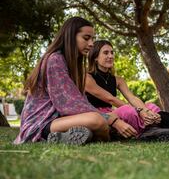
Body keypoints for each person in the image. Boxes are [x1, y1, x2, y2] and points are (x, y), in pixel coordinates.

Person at [15, 17, 115, 145]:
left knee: (97, 123)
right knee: (97, 120)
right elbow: (67, 103)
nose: (91, 44)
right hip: (40, 124)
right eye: (86, 38)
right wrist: (109, 118)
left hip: (59, 120)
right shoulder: (54, 59)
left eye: (92, 39)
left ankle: (71, 136)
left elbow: (80, 100)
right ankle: (72, 135)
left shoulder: (73, 65)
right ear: (70, 36)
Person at [85, 40, 169, 141]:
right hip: (99, 115)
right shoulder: (87, 77)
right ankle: (143, 133)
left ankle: (151, 130)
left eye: (112, 52)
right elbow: (110, 99)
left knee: (152, 107)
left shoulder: (118, 80)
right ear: (95, 57)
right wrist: (138, 111)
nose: (110, 56)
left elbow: (132, 98)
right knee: (128, 110)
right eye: (106, 53)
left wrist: (146, 111)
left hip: (113, 112)